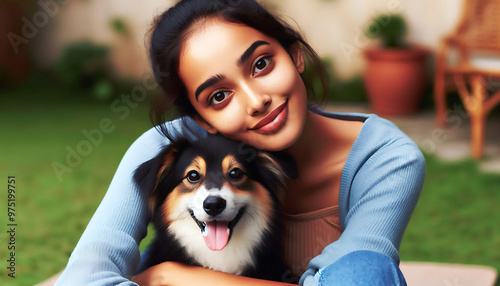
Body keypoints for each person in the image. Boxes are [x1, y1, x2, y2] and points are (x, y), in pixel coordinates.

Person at [55, 0, 425, 285]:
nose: (255, 100)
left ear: (294, 54)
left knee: (365, 269)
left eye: (261, 64)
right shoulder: (167, 149)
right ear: (201, 120)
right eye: (218, 96)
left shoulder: (388, 159)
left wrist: (180, 276)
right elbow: (85, 277)